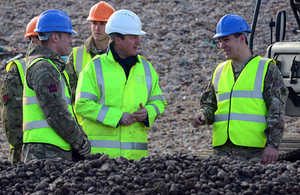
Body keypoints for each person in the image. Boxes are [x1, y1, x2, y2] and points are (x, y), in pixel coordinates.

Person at [191, 14, 288, 164]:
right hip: (221, 152)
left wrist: (273, 145)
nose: (222, 45)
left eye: (226, 40)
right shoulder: (219, 71)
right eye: (220, 41)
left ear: (241, 38)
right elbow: (209, 104)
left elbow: (277, 109)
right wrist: (202, 115)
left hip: (254, 152)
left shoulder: (266, 68)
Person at [75, 9, 167, 161]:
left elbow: (159, 101)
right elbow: (82, 104)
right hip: (101, 160)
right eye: (133, 37)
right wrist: (117, 117)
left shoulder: (146, 67)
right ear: (118, 40)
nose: (139, 42)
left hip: (136, 159)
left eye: (138, 37)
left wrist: (148, 113)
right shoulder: (94, 67)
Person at [22, 9, 91, 162]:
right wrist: (80, 142)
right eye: (68, 36)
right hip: (45, 154)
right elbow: (56, 112)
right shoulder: (44, 68)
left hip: (49, 151)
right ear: (54, 37)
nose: (71, 42)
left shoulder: (51, 67)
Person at [0, 16, 40, 164]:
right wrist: (23, 149)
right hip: (25, 153)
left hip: (50, 149)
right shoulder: (19, 69)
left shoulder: (58, 66)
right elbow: (10, 118)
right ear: (34, 40)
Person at [66, 1, 115, 98]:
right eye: (94, 23)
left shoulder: (120, 54)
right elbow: (67, 86)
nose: (97, 28)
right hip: (84, 111)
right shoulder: (77, 55)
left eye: (102, 23)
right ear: (90, 25)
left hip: (113, 112)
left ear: (111, 27)